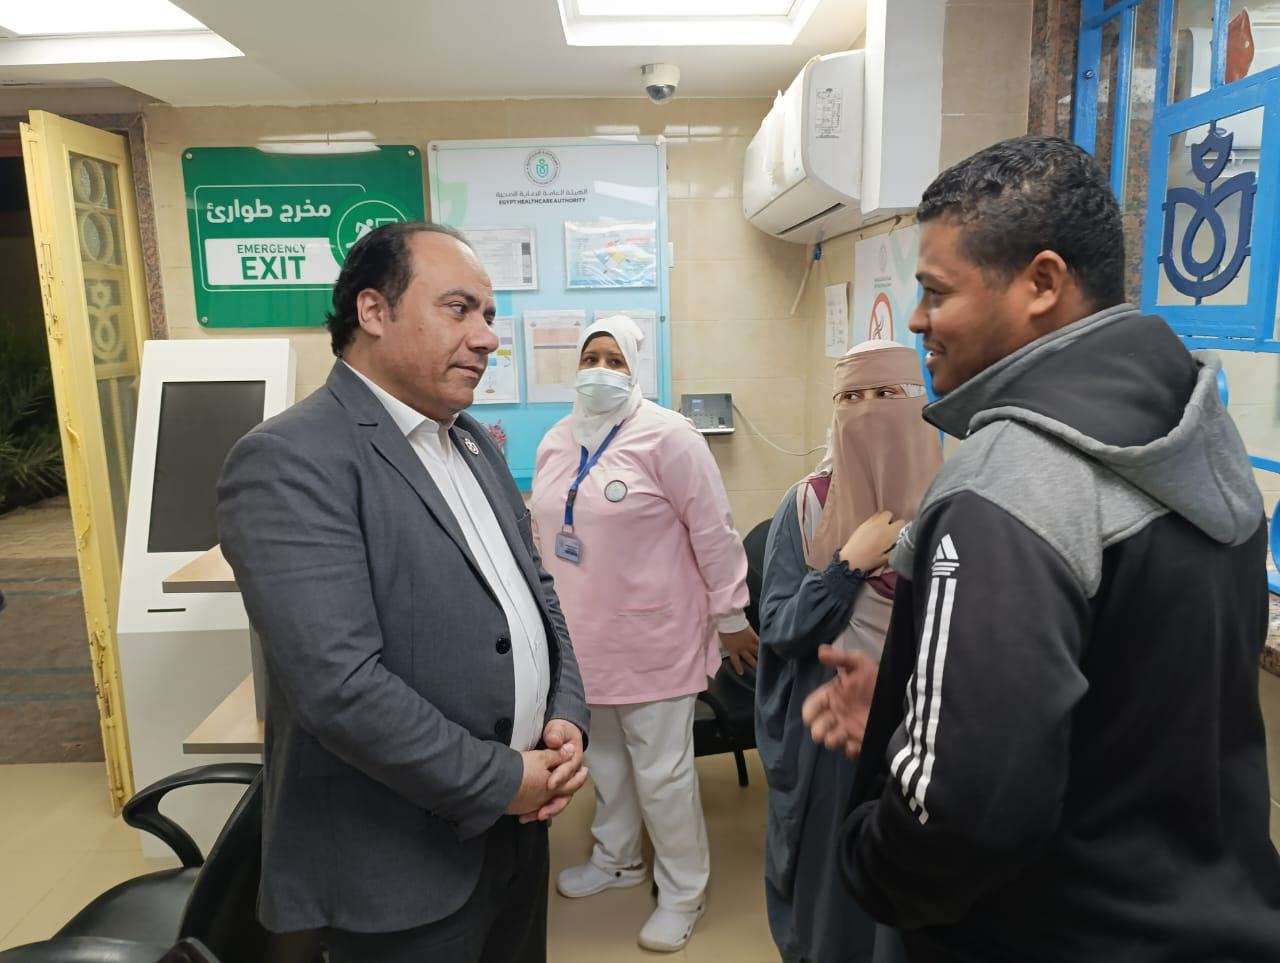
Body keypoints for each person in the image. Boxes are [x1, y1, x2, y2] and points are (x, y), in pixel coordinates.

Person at [802, 136, 1280, 961]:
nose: (916, 320)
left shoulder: (1003, 484)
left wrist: (866, 859)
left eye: (935, 291)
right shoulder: (1197, 433)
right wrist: (939, 699)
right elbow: (1137, 698)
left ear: (1043, 283)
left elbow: (960, 815)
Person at [216, 222, 590, 963]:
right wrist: (502, 778)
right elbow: (340, 687)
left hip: (517, 835)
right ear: (373, 311)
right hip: (396, 869)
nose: (487, 338)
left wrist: (565, 715)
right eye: (459, 309)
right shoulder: (290, 460)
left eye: (488, 314)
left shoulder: (472, 441)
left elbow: (537, 594)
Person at [528, 314, 758, 953]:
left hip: (656, 639)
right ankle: (618, 859)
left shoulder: (670, 437)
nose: (599, 371)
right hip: (582, 642)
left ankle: (683, 892)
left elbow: (713, 531)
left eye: (615, 360)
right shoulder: (556, 439)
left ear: (636, 369)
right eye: (590, 358)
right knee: (604, 763)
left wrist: (732, 616)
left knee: (662, 776)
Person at [756, 340, 942, 963]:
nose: (867, 410)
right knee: (832, 894)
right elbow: (780, 628)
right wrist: (845, 568)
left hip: (927, 732)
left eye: (886, 394)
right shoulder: (807, 504)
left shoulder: (955, 502)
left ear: (919, 402)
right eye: (850, 397)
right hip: (831, 735)